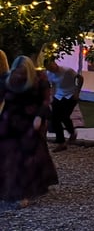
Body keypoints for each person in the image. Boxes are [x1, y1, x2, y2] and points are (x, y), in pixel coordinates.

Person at [0, 56, 59, 203]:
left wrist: (39, 116)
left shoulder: (38, 81)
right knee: (8, 156)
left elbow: (45, 101)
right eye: (17, 71)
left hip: (29, 123)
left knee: (26, 158)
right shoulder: (7, 79)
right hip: (9, 122)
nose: (20, 75)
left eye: (22, 72)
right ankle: (7, 189)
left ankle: (24, 192)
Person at [44, 58, 82, 152]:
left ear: (55, 63)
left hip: (70, 96)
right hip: (59, 96)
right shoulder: (49, 74)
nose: (51, 69)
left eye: (51, 66)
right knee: (54, 118)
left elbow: (80, 78)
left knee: (64, 116)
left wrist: (77, 92)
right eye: (49, 68)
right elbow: (53, 84)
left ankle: (72, 133)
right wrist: (52, 96)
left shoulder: (67, 71)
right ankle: (61, 142)